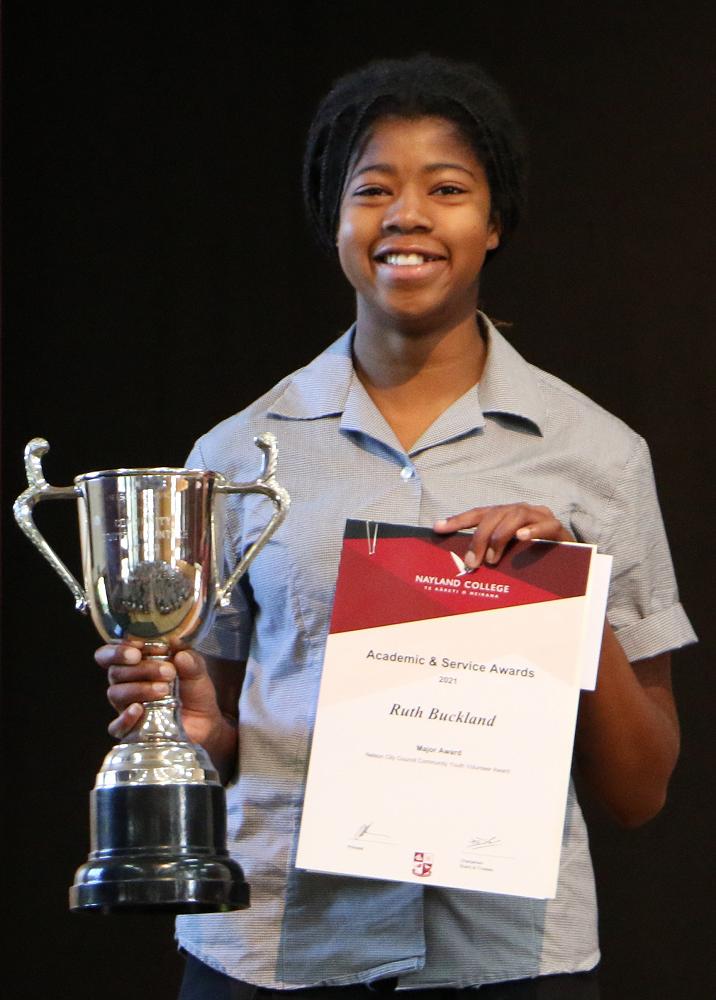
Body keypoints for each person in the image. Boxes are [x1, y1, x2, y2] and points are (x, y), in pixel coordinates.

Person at [96, 55, 696, 999]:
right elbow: (216, 733)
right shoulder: (235, 454)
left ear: (494, 222)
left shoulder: (599, 455)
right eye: (372, 189)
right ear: (333, 222)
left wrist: (565, 591)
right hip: (276, 951)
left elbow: (639, 792)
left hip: (506, 959)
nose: (406, 215)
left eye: (447, 189)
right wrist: (197, 730)